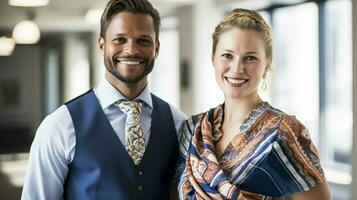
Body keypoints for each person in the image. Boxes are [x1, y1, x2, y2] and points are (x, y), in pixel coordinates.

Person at [21, 0, 186, 199]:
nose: (131, 50)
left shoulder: (178, 123)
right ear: (102, 45)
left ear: (156, 48)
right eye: (120, 39)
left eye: (143, 41)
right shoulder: (60, 125)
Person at [176, 8, 331, 200]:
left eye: (250, 58)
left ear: (267, 63)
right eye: (227, 55)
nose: (237, 68)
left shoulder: (284, 132)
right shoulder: (192, 129)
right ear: (213, 59)